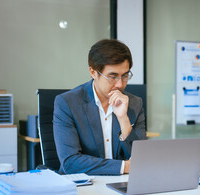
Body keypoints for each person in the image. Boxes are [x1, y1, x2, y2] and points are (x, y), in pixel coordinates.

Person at [53, 39, 146, 175]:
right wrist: (123, 167)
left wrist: (123, 120)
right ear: (93, 72)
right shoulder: (67, 103)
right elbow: (70, 162)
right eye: (112, 76)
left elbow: (142, 159)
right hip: (83, 186)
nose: (120, 84)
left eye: (125, 76)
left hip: (122, 184)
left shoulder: (134, 104)